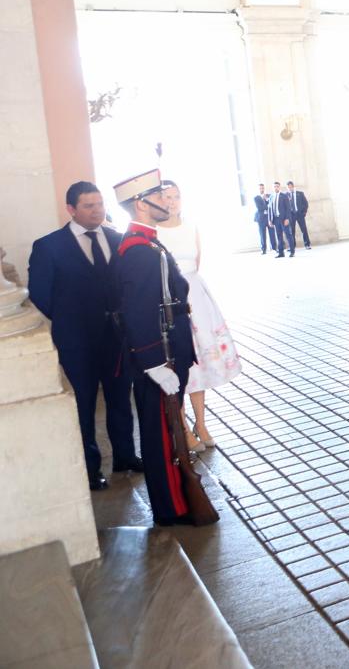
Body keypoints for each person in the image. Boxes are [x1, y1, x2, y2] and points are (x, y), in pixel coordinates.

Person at [28, 181, 139, 490]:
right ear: (71, 209)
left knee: (120, 399)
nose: (97, 211)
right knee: (84, 405)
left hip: (116, 338)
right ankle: (90, 470)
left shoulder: (118, 240)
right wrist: (71, 322)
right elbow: (40, 294)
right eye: (89, 206)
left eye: (100, 204)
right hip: (77, 342)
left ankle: (125, 456)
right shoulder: (49, 246)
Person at [111, 168, 199, 526]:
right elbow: (136, 311)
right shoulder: (138, 250)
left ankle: (175, 500)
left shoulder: (148, 243)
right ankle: (171, 507)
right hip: (158, 356)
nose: (167, 201)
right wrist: (153, 364)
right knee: (161, 435)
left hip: (168, 350)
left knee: (166, 432)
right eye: (159, 196)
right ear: (140, 203)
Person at [156, 181, 241, 452]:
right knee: (180, 363)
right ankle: (181, 424)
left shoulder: (192, 227)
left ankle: (201, 423)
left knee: (199, 363)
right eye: (166, 197)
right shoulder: (155, 232)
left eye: (176, 196)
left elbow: (196, 263)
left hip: (196, 296)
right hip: (172, 300)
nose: (172, 202)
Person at [270, 180, 296, 258]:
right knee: (279, 237)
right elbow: (269, 209)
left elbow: (288, 208)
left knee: (288, 235)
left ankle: (292, 251)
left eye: (277, 186)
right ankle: (281, 253)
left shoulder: (284, 196)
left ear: (279, 187)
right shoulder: (271, 196)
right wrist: (270, 220)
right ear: (273, 187)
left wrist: (287, 218)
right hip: (276, 220)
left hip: (284, 219)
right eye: (274, 186)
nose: (276, 188)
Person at [288, 181, 311, 249]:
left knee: (304, 229)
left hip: (300, 214)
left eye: (290, 187)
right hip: (291, 215)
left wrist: (304, 212)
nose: (289, 188)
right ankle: (292, 246)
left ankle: (307, 244)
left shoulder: (300, 193)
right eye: (288, 187)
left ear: (293, 186)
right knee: (291, 231)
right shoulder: (286, 195)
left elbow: (306, 204)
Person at [252, 183, 272, 255]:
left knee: (272, 233)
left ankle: (275, 248)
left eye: (262, 188)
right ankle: (263, 249)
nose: (261, 189)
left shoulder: (269, 196)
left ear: (264, 188)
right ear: (258, 189)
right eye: (260, 188)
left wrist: (267, 200)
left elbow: (272, 205)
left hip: (269, 217)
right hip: (261, 219)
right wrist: (266, 203)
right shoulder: (256, 198)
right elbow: (260, 208)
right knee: (262, 234)